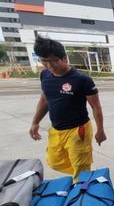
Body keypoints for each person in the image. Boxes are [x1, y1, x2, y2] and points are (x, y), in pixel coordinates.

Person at [29, 37, 106, 181]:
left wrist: (100, 130)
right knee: (53, 162)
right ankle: (85, 172)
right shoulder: (44, 75)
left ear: (64, 58)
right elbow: (44, 100)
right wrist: (35, 122)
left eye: (53, 60)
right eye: (44, 60)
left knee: (80, 170)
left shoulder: (82, 80)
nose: (49, 65)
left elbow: (96, 106)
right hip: (56, 130)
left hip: (78, 131)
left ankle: (82, 181)